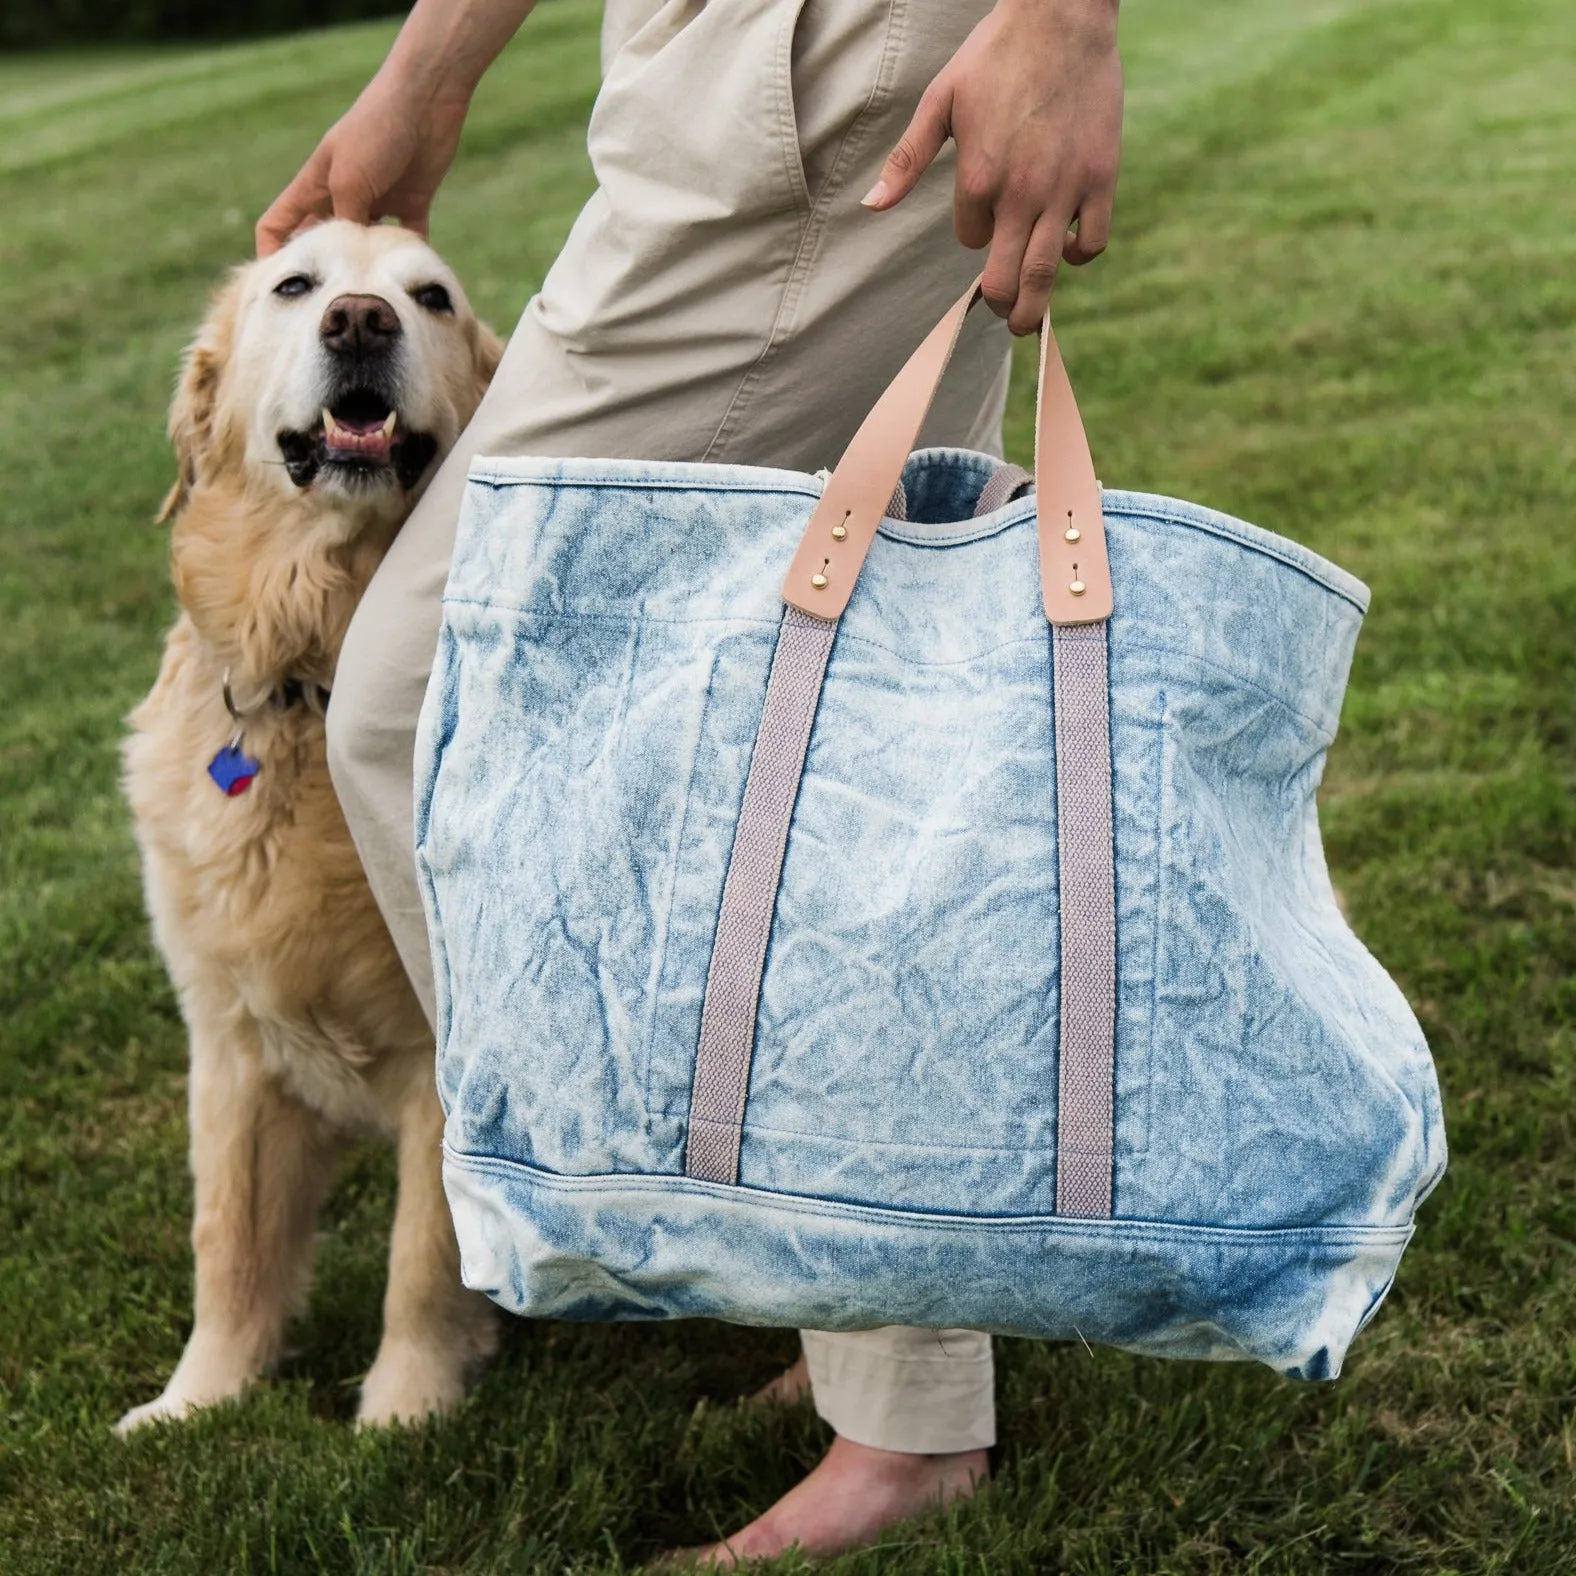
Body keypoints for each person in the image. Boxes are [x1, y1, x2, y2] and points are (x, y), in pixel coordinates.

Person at [258, 0, 1123, 1561]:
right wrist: (427, 71)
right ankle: (881, 1351)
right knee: (828, 718)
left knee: (436, 695)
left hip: (827, 62)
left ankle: (730, 1251)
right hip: (740, 59)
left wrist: (1064, 16)